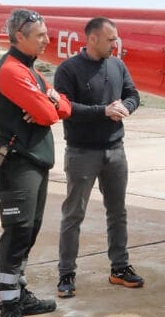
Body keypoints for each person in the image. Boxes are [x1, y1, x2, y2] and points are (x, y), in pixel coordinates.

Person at [0, 8, 72, 317]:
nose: (46, 39)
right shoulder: (12, 71)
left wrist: (48, 101)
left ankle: (19, 294)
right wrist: (46, 105)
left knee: (30, 230)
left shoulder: (30, 71)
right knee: (17, 231)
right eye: (40, 35)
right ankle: (8, 310)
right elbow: (48, 115)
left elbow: (63, 107)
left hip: (34, 162)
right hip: (17, 162)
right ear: (19, 36)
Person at [53, 17, 143, 298]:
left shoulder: (117, 65)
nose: (115, 44)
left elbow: (133, 94)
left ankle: (120, 268)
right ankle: (66, 273)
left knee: (117, 212)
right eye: (110, 39)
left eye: (115, 39)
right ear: (92, 39)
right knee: (73, 214)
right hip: (82, 153)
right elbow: (65, 108)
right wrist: (104, 111)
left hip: (115, 151)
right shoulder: (68, 69)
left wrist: (126, 107)